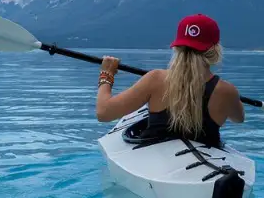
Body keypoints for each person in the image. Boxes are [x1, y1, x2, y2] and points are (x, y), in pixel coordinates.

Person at [95, 13, 244, 148]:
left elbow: (103, 113)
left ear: (177, 47)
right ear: (215, 50)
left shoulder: (156, 79)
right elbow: (238, 119)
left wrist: (106, 75)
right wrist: (231, 99)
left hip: (154, 160)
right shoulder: (227, 91)